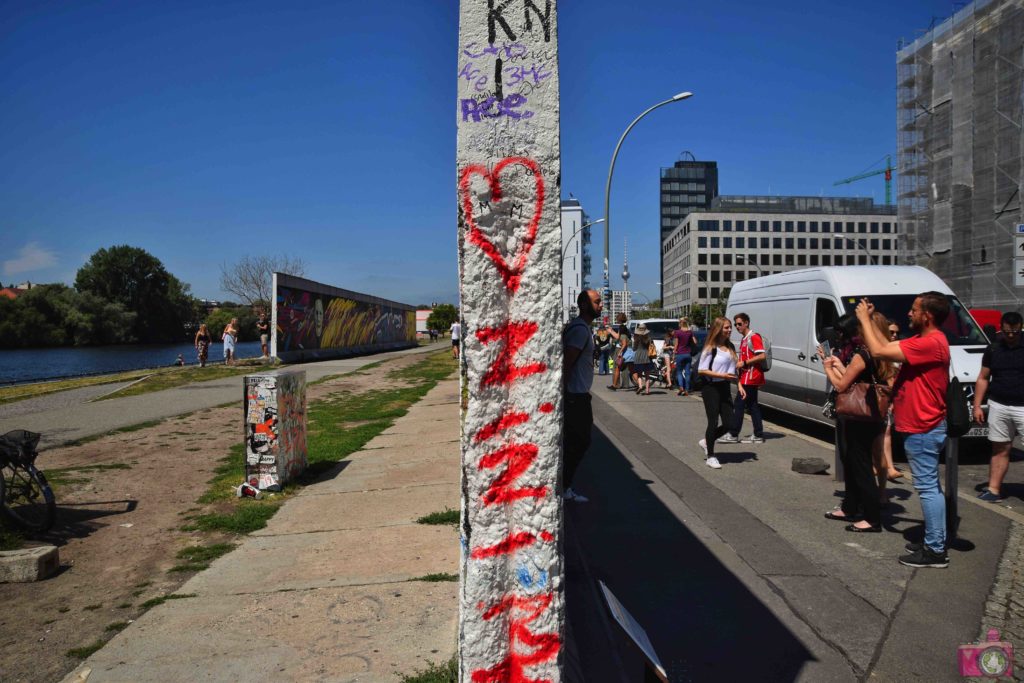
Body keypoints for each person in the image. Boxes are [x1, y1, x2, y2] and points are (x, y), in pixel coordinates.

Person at [857, 291, 951, 568]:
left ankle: (935, 551)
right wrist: (873, 322)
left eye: (914, 309)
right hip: (922, 426)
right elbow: (888, 345)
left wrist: (863, 318)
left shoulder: (931, 342)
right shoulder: (926, 340)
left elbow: (878, 351)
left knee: (927, 489)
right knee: (930, 487)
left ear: (927, 316)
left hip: (923, 428)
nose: (909, 313)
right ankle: (934, 540)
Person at [820, 313, 896, 533]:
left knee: (860, 465)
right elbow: (860, 382)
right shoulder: (882, 353)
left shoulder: (863, 353)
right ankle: (850, 506)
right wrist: (838, 364)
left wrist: (827, 367)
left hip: (858, 416)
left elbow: (842, 386)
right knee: (855, 463)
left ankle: (871, 518)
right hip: (871, 413)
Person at [972, 311, 1024, 503]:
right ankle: (993, 490)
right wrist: (977, 405)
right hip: (999, 404)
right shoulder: (993, 348)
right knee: (1000, 448)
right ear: (1001, 329)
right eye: (1007, 332)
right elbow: (983, 378)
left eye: (1016, 332)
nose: (1011, 336)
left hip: (1022, 407)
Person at [563, 289, 603, 503]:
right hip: (574, 396)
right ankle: (564, 487)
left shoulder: (583, 329)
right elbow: (567, 362)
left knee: (578, 441)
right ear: (585, 305)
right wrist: (564, 393)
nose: (601, 305)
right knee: (579, 441)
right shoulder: (579, 330)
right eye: (597, 302)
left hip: (579, 395)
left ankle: (565, 486)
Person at [697, 317, 745, 469]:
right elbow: (701, 370)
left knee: (730, 423)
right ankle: (711, 456)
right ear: (718, 329)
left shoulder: (729, 346)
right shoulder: (711, 347)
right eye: (726, 327)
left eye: (730, 327)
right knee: (713, 422)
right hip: (710, 387)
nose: (730, 330)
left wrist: (739, 385)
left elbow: (733, 370)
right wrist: (722, 375)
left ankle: (706, 441)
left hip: (724, 387)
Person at [721, 313, 766, 444]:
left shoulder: (754, 337)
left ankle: (734, 433)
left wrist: (744, 363)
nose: (737, 327)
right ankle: (758, 434)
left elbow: (762, 355)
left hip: (751, 377)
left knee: (739, 404)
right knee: (752, 406)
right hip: (747, 376)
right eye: (735, 324)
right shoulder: (745, 338)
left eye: (739, 324)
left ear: (746, 323)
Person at [607, 313, 632, 390]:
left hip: (620, 349)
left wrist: (611, 331)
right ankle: (625, 384)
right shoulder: (625, 327)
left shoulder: (621, 327)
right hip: (627, 349)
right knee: (625, 368)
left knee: (616, 367)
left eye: (617, 318)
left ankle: (616, 384)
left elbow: (618, 337)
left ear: (619, 319)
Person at [672, 318, 696, 396]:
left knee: (679, 371)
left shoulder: (677, 332)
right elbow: (695, 342)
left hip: (680, 354)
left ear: (680, 324)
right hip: (688, 354)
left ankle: (681, 387)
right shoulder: (690, 332)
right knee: (687, 372)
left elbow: (676, 344)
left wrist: (673, 354)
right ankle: (687, 390)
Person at [631, 323, 654, 395]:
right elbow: (652, 347)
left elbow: (634, 349)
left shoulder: (637, 339)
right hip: (647, 356)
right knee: (647, 375)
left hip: (638, 356)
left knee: (639, 374)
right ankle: (647, 390)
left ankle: (640, 386)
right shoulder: (649, 338)